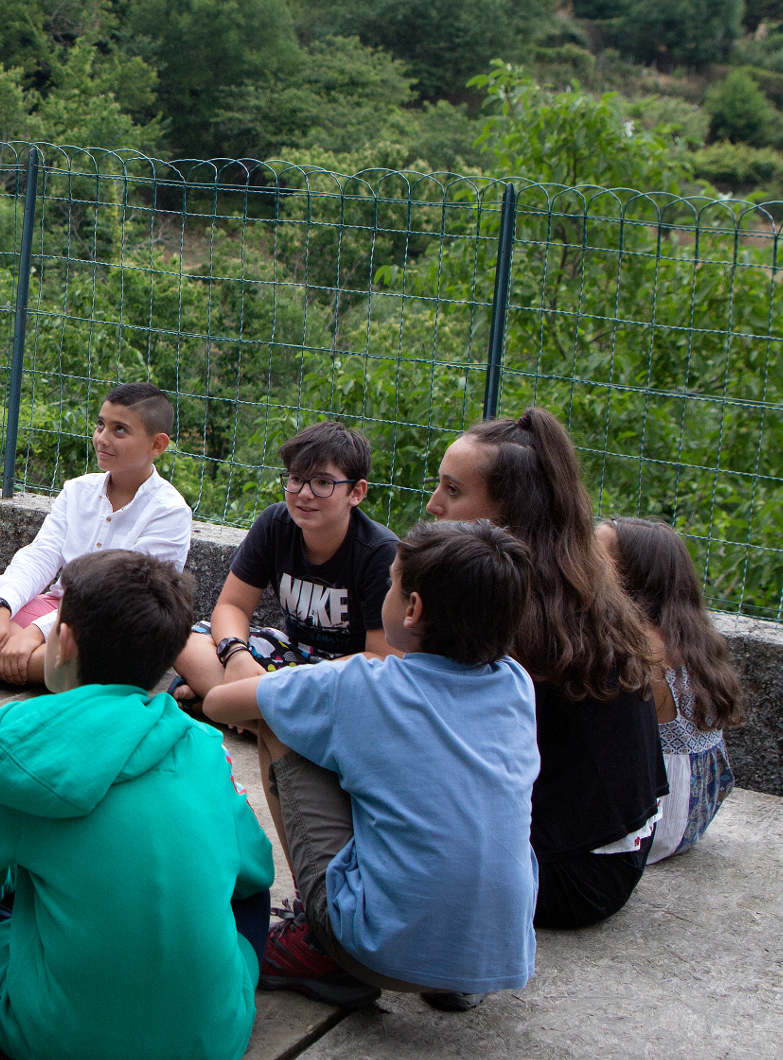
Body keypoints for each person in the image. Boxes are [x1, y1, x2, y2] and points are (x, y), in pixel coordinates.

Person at [0, 550, 275, 1060]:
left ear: (62, 643)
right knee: (245, 893)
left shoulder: (24, 744)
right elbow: (256, 874)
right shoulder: (207, 747)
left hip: (63, 1049)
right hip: (212, 1045)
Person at [204, 520, 541, 1014]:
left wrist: (331, 671)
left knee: (279, 723)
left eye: (392, 581)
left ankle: (319, 945)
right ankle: (450, 975)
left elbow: (219, 704)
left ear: (413, 608)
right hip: (498, 952)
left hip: (373, 949)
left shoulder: (362, 684)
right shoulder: (516, 685)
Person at [424, 407, 665, 929]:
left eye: (453, 491)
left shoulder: (515, 614)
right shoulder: (575, 587)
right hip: (613, 858)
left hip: (570, 874)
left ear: (506, 515)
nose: (434, 505)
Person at [0, 384, 189, 686]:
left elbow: (126, 601)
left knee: (116, 661)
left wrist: (35, 632)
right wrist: (1, 607)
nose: (102, 438)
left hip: (113, 627)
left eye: (120, 430)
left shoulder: (169, 512)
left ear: (157, 445)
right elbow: (41, 555)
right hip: (56, 608)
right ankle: (40, 666)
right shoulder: (79, 490)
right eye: (101, 424)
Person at [171, 421, 396, 713]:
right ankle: (260, 713)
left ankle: (228, 705)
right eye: (296, 478)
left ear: (356, 492)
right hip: (287, 655)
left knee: (365, 700)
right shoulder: (275, 525)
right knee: (187, 640)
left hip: (341, 673)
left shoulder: (378, 553)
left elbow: (380, 658)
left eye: (323, 483)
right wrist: (237, 656)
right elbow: (232, 607)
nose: (304, 493)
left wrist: (289, 682)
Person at [603, 518, 745, 864]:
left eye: (596, 558)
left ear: (629, 576)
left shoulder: (640, 649)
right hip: (694, 817)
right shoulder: (691, 639)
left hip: (653, 825)